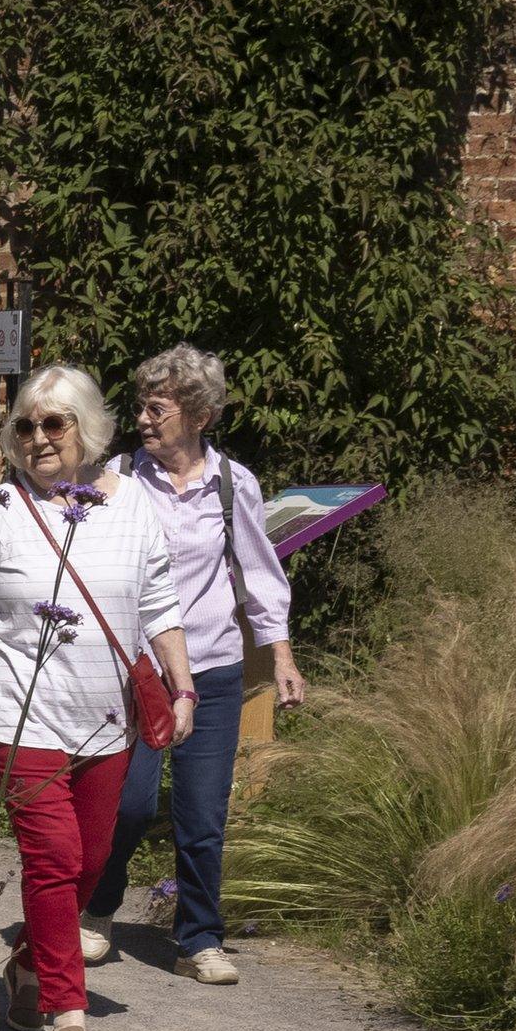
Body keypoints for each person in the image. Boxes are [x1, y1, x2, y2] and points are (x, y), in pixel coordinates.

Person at [0, 364, 196, 1031]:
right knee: (55, 858)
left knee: (92, 865)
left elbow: (158, 606)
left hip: (106, 721)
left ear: (89, 429)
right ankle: (67, 1010)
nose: (38, 438)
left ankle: (30, 962)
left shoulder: (132, 507)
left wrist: (183, 687)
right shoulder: (1, 509)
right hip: (17, 715)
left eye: (55, 424)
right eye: (27, 426)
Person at [79, 343, 303, 985]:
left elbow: (260, 574)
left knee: (202, 815)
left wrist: (281, 655)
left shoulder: (233, 484)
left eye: (158, 409)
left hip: (213, 670)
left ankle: (199, 939)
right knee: (128, 803)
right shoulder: (114, 480)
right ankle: (97, 911)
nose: (143, 420)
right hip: (138, 673)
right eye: (142, 408)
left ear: (199, 415)